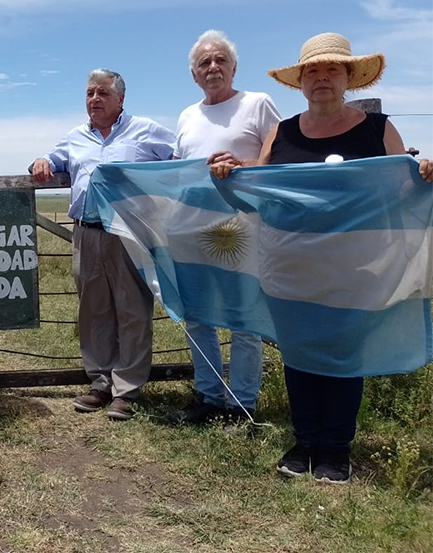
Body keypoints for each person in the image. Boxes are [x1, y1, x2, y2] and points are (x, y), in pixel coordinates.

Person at [212, 32, 433, 484]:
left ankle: (335, 448)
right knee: (298, 354)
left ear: (349, 77)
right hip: (290, 269)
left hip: (357, 270)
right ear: (300, 82)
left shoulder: (378, 128)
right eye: (312, 71)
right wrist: (228, 173)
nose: (321, 78)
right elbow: (256, 192)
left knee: (344, 354)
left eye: (332, 69)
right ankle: (305, 440)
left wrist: (427, 172)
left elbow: (406, 186)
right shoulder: (283, 132)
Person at [30, 69, 175, 420]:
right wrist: (42, 161)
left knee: (132, 309)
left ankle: (127, 389)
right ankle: (99, 382)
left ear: (120, 99)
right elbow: (52, 161)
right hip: (86, 232)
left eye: (103, 93)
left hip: (129, 232)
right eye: (90, 93)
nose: (94, 99)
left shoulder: (146, 131)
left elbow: (180, 158)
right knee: (93, 308)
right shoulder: (75, 137)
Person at [170, 30, 281, 425]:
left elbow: (281, 158)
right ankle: (209, 394)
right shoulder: (186, 116)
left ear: (234, 68)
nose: (213, 67)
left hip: (243, 229)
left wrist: (242, 168)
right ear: (195, 76)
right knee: (197, 315)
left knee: (244, 317)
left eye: (220, 60)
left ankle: (242, 403)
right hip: (191, 229)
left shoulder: (257, 104)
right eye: (204, 63)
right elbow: (177, 170)